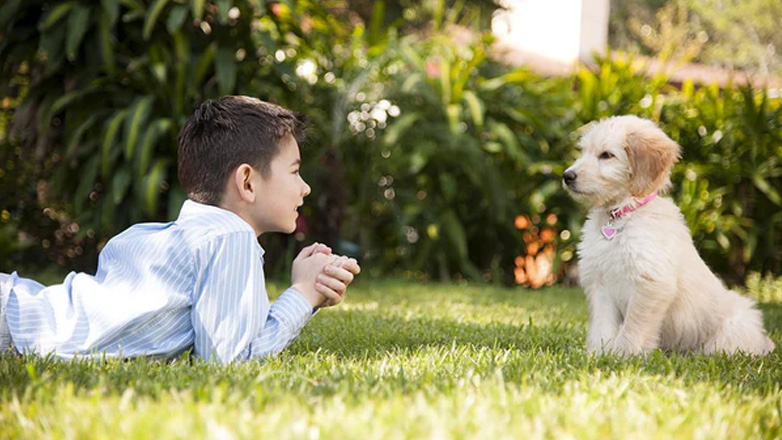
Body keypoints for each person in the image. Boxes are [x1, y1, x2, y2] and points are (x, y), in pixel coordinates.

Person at [0, 96, 361, 363]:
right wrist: (301, 294)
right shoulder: (230, 237)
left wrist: (308, 291)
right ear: (247, 182)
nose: (305, 187)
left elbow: (231, 331)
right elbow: (230, 361)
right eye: (295, 171)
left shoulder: (175, 236)